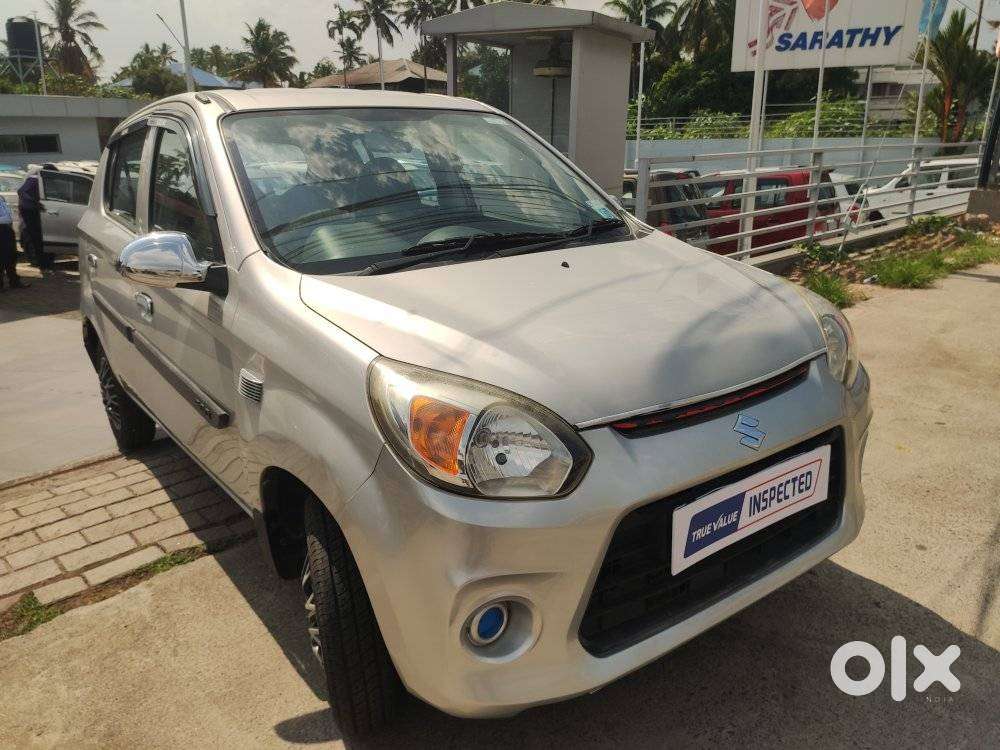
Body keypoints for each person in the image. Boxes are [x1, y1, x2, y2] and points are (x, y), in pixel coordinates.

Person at [17, 166, 51, 270]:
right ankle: (38, 261)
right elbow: (21, 191)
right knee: (34, 236)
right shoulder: (34, 179)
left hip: (32, 209)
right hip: (29, 210)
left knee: (37, 236)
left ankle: (41, 260)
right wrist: (35, 202)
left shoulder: (39, 180)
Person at [0, 193, 26, 289]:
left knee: (11, 256)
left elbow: (7, 215)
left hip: (7, 230)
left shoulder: (1, 198)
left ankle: (14, 281)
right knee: (2, 257)